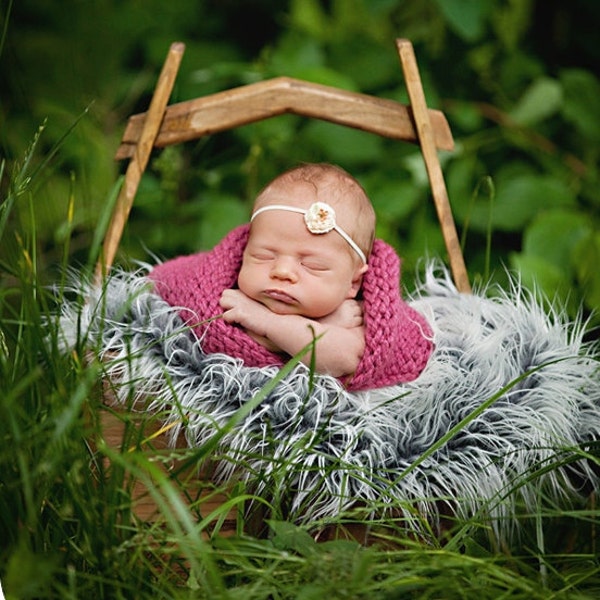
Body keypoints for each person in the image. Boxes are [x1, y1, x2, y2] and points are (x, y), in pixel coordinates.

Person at [150, 163, 433, 391]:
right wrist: (309, 328)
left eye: (312, 266)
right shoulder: (225, 294)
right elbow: (216, 326)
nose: (282, 272)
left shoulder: (357, 317)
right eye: (264, 256)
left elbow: (343, 359)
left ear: (353, 283)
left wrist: (268, 323)